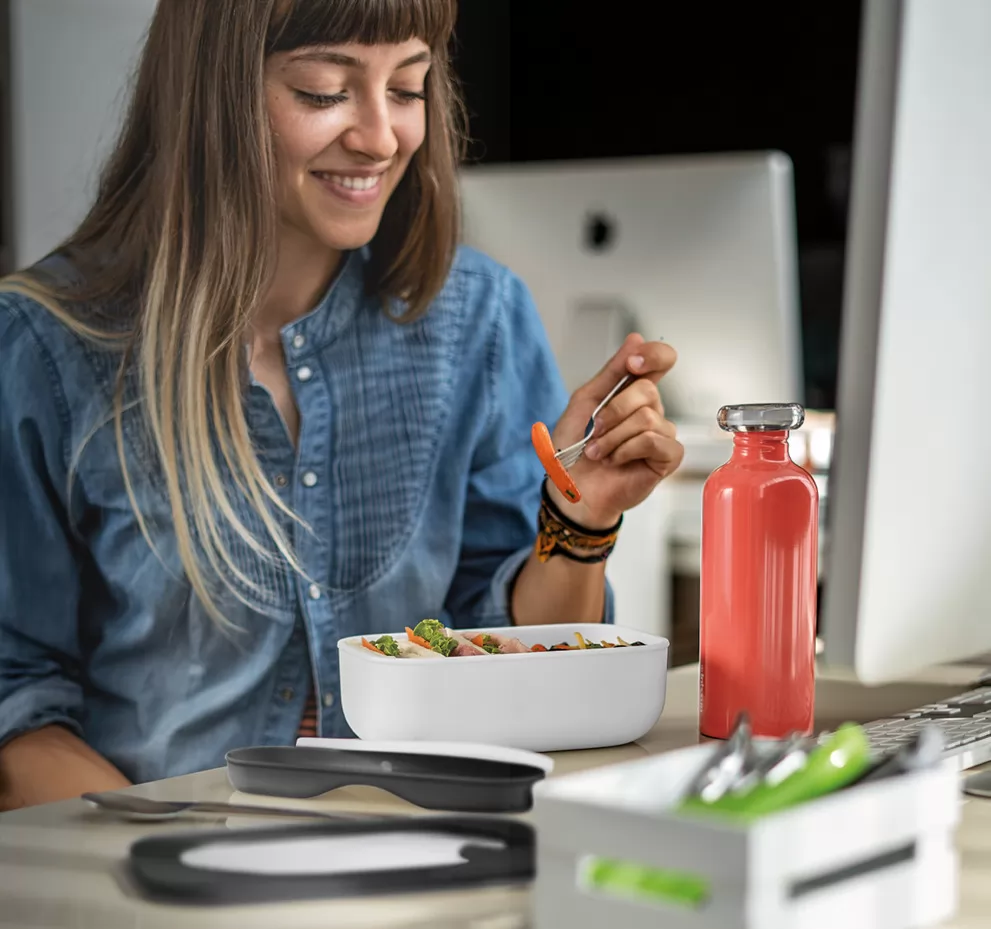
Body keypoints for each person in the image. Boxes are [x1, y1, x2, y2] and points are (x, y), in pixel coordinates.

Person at [0, 0, 683, 811]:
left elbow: (516, 669)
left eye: (407, 86)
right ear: (211, 96)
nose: (380, 137)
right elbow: (16, 710)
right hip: (159, 879)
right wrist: (183, 858)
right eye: (325, 91)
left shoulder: (479, 318)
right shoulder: (45, 346)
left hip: (423, 848)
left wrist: (580, 521)